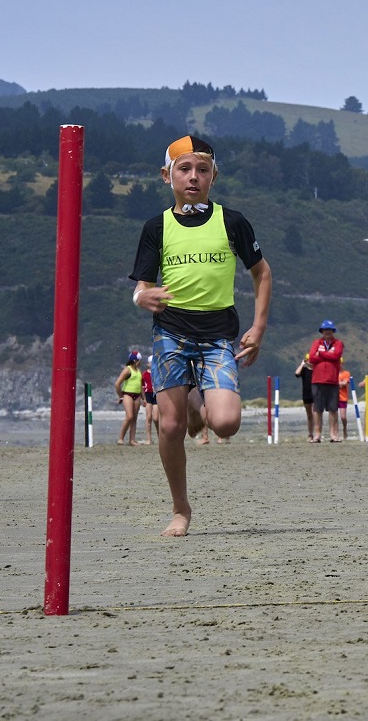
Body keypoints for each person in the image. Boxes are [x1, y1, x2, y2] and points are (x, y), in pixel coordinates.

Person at [130, 136, 271, 536]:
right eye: (184, 169)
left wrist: (258, 328)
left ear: (214, 176)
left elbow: (262, 273)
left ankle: (198, 401)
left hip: (218, 335)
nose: (194, 177)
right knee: (170, 427)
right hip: (171, 332)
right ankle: (181, 509)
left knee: (225, 424)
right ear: (166, 175)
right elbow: (141, 286)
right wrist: (143, 296)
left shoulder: (233, 221)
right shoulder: (156, 227)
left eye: (202, 170)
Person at [308, 320, 346, 442]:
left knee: (333, 410)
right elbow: (312, 357)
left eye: (329, 329)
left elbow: (336, 356)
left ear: (333, 331)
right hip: (317, 380)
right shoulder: (316, 342)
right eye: (325, 330)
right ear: (322, 331)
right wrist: (327, 354)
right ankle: (317, 434)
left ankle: (333, 434)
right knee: (317, 409)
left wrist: (321, 354)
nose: (327, 332)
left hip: (332, 381)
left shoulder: (338, 343)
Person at [113, 350, 144, 445]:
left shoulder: (138, 371)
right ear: (136, 361)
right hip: (127, 394)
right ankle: (121, 438)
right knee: (129, 416)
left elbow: (140, 385)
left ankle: (132, 440)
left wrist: (143, 398)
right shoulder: (127, 369)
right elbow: (117, 384)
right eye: (139, 361)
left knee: (134, 418)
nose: (140, 362)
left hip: (137, 395)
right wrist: (121, 396)